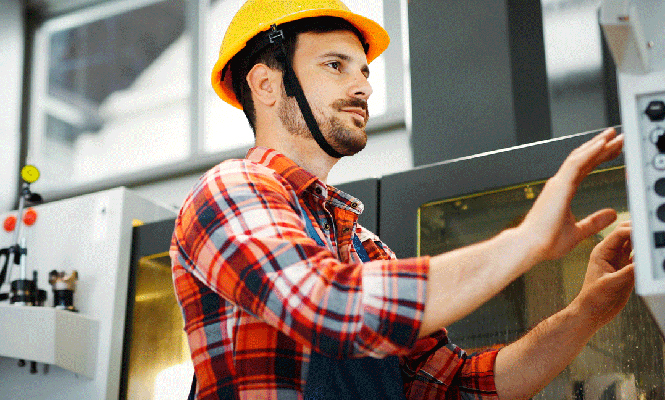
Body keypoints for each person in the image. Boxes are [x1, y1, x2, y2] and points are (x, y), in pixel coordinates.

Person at [170, 0, 635, 399]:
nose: (364, 87)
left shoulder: (366, 249)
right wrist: (527, 241)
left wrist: (586, 313)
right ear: (266, 84)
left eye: (364, 71)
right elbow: (328, 306)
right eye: (335, 65)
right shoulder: (230, 188)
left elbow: (456, 388)